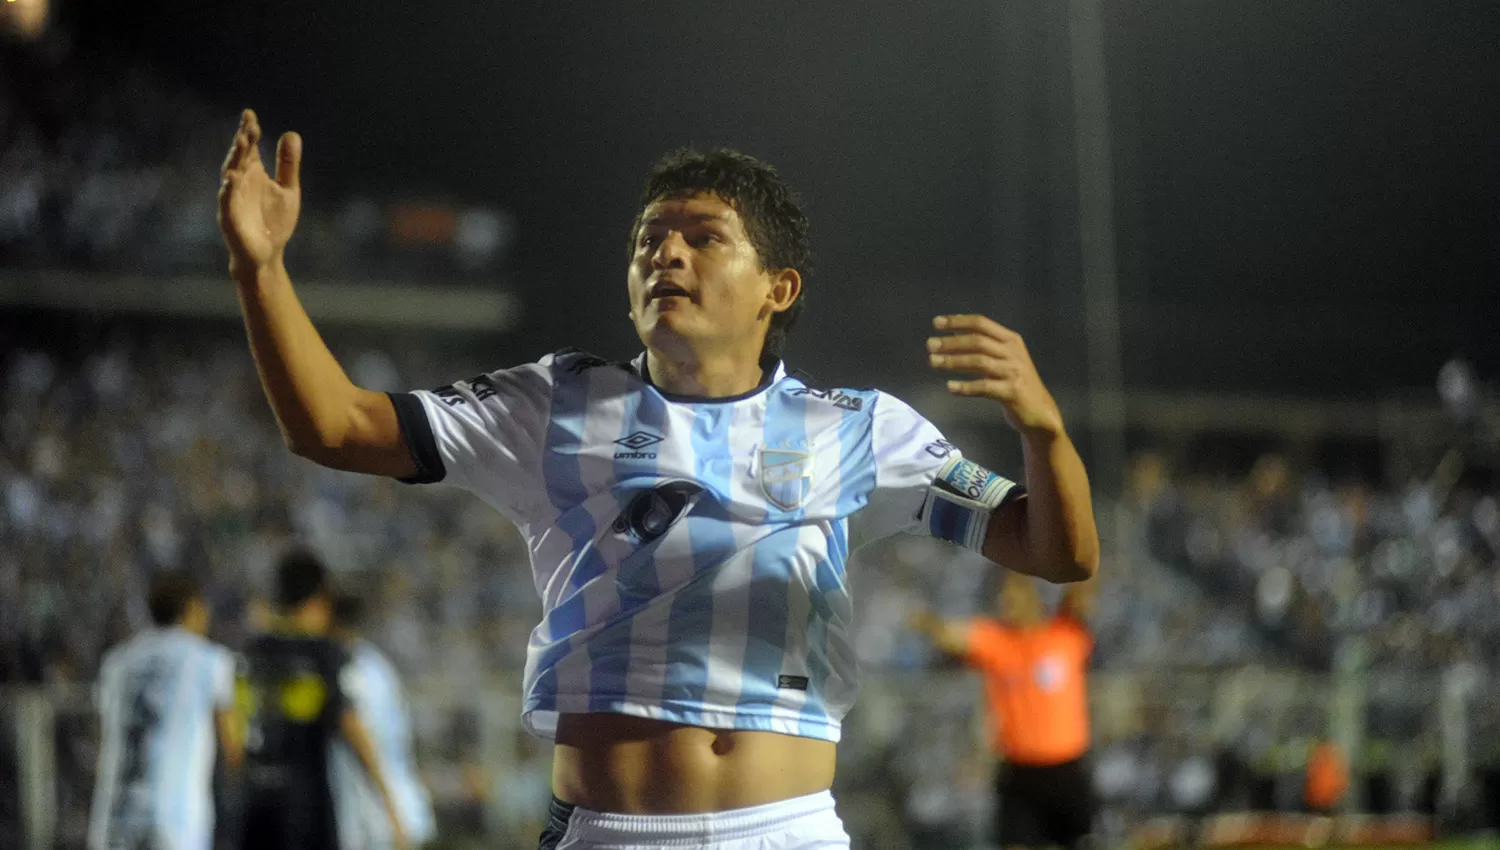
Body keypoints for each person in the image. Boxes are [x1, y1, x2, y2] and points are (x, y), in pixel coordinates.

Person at [217, 108, 1099, 849]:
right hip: (613, 831)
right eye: (650, 239)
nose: (665, 255)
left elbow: (1059, 555)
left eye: (702, 238)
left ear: (777, 288)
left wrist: (1044, 431)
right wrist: (261, 272)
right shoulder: (553, 403)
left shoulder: (858, 427)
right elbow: (331, 426)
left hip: (789, 827)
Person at [912, 573, 1099, 850]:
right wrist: (926, 621)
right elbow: (954, 636)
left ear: (1033, 597)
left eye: (1014, 595)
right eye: (1003, 596)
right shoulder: (997, 642)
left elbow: (1082, 586)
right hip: (1019, 772)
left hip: (1067, 770)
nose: (1006, 602)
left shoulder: (1066, 634)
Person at [237, 548, 406, 850]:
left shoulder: (250, 652)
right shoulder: (324, 654)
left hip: (252, 806)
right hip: (305, 809)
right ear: (321, 598)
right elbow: (349, 725)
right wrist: (390, 802)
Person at [88, 571, 242, 850]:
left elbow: (103, 746)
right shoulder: (210, 660)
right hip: (177, 818)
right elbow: (232, 746)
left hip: (115, 815)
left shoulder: (117, 662)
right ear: (193, 608)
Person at [328, 593, 436, 850]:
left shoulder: (346, 670)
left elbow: (358, 735)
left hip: (369, 811)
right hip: (396, 799)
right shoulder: (378, 666)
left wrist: (391, 809)